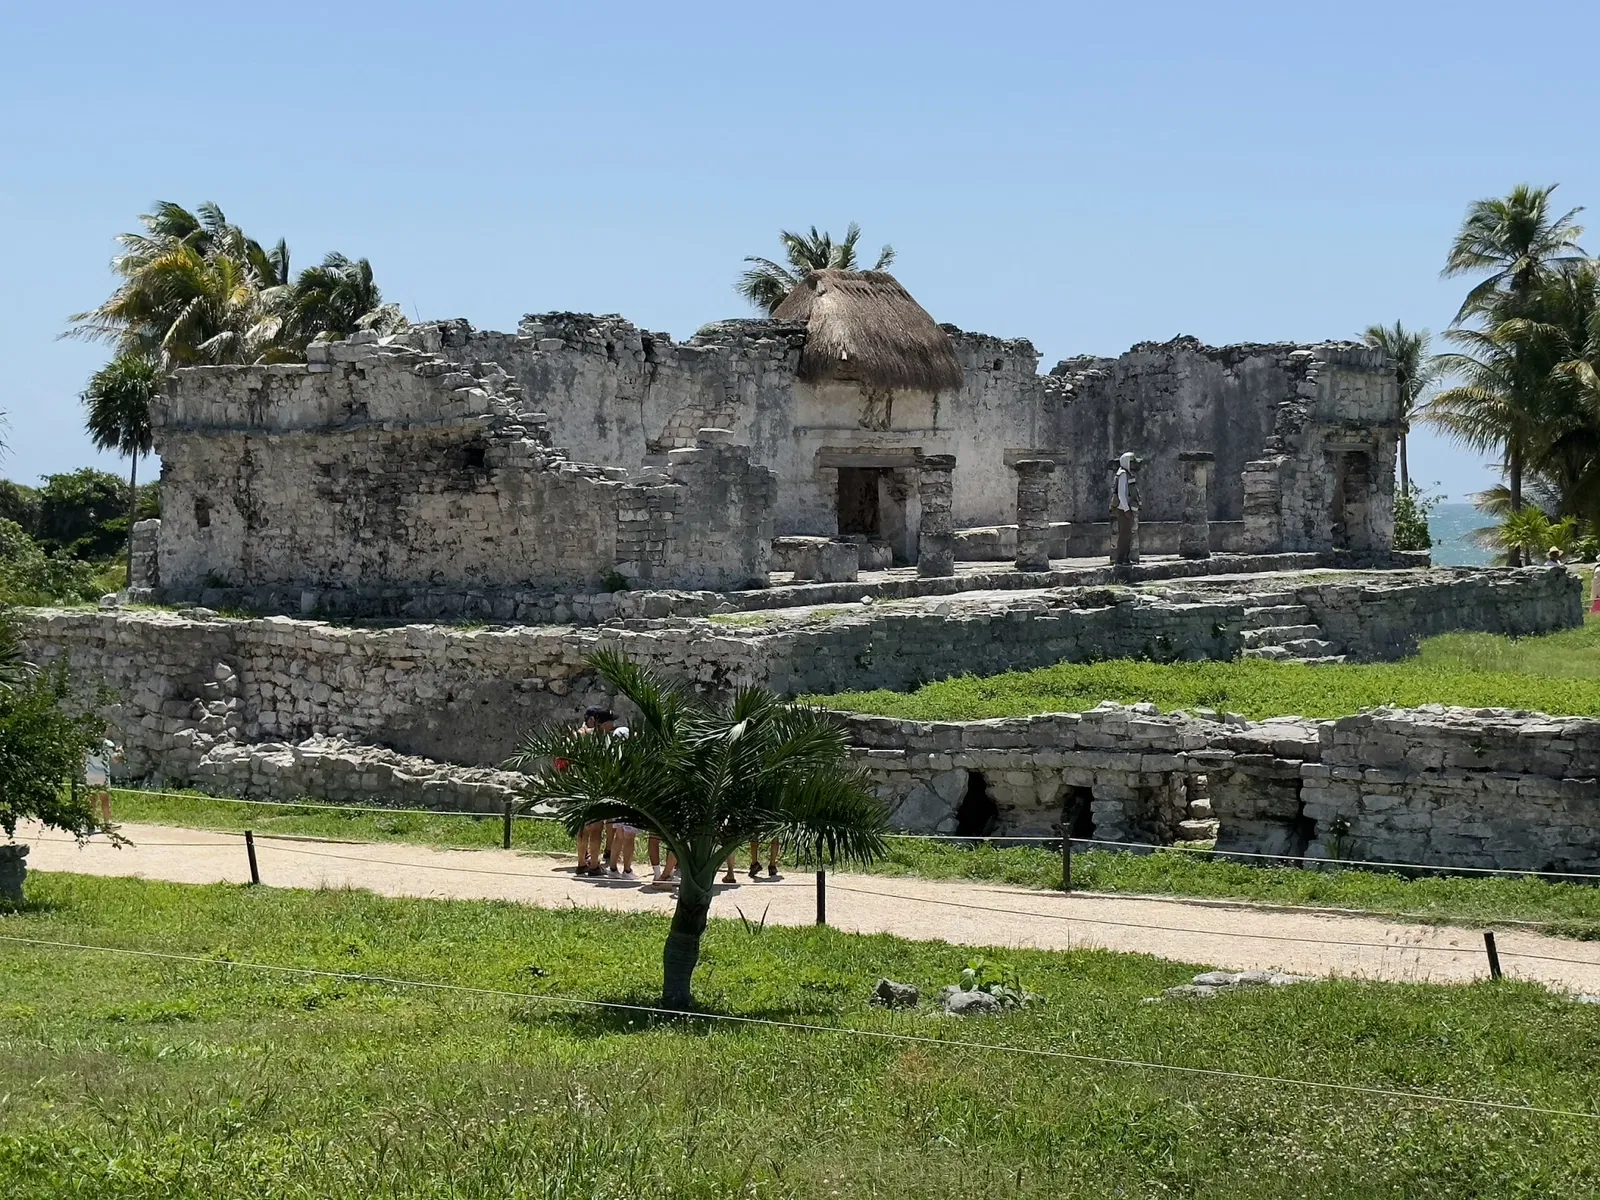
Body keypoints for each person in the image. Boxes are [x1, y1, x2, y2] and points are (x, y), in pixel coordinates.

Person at [570, 706, 617, 876]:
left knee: (583, 827)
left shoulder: (581, 735)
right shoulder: (602, 740)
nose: (613, 725)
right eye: (610, 722)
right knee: (596, 828)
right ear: (602, 724)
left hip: (580, 784)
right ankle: (594, 865)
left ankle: (581, 862)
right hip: (595, 786)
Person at [1110, 451, 1139, 565]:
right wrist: (1126, 509)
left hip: (1126, 508)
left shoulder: (1128, 474)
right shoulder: (1122, 474)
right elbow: (1121, 494)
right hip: (1123, 509)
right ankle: (1120, 559)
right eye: (1131, 462)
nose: (1133, 465)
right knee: (1124, 535)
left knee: (1128, 535)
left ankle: (1126, 558)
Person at [84, 740, 116, 826]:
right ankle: (107, 822)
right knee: (105, 800)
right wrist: (120, 752)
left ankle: (90, 822)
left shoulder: (88, 743)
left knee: (91, 800)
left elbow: (83, 757)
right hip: (103, 774)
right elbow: (115, 760)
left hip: (90, 773)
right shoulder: (108, 744)